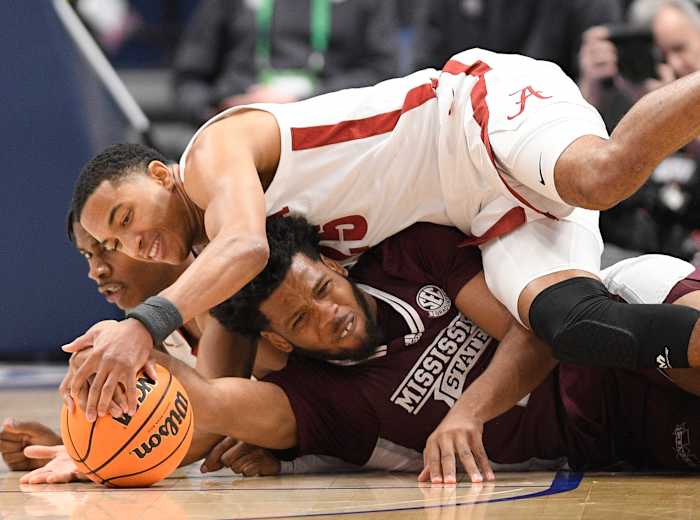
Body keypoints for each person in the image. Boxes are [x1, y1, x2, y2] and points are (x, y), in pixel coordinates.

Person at [64, 43, 700, 440]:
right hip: (478, 213)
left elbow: (247, 248)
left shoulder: (209, 159)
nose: (131, 244)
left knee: (604, 175)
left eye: (123, 218)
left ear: (159, 176)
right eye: (109, 242)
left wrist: (143, 327)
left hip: (469, 119)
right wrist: (95, 453)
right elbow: (208, 401)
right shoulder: (222, 270)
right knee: (574, 326)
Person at [25, 217, 700, 485]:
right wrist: (91, 449)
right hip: (604, 433)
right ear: (279, 341)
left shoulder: (408, 255)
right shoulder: (325, 402)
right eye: (300, 319)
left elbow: (537, 332)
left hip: (616, 313)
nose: (330, 316)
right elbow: (204, 404)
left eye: (321, 289)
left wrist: (466, 412)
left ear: (335, 265)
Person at [0, 216, 253, 479]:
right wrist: (74, 448)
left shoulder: (221, 290)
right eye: (87, 254)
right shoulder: (147, 320)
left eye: (108, 247)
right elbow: (157, 423)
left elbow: (213, 423)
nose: (96, 271)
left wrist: (96, 463)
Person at [172, 0, 399, 124]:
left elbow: (384, 74)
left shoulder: (366, 4)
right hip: (239, 125)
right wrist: (215, 116)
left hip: (329, 128)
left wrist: (300, 102)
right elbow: (190, 78)